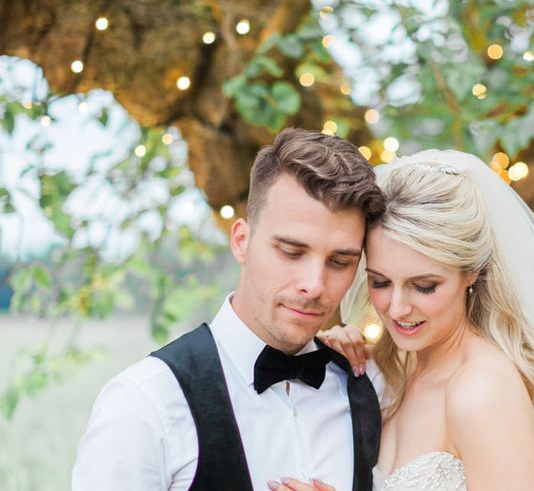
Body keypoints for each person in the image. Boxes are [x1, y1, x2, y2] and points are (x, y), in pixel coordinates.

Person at [273, 150, 534, 491]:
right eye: (381, 282)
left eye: (424, 286)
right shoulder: (396, 370)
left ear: (471, 272)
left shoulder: (481, 389)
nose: (397, 308)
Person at [72, 128, 386, 491]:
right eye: (291, 252)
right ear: (241, 241)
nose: (314, 285)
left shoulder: (370, 386)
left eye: (339, 261)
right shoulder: (145, 403)